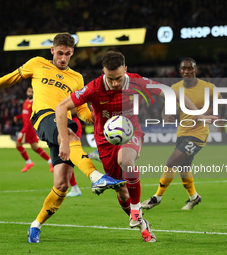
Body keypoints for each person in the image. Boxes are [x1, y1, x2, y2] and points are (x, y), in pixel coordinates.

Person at [0, 34, 127, 243]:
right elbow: (12, 76)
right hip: (44, 118)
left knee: (62, 184)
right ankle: (95, 177)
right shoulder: (37, 64)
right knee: (71, 135)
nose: (63, 58)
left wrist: (92, 117)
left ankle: (35, 225)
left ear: (72, 53)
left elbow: (81, 108)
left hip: (64, 123)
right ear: (52, 50)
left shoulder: (76, 78)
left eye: (67, 54)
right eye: (59, 53)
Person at [56, 51, 217, 242]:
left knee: (126, 160)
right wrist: (65, 141)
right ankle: (142, 224)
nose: (115, 83)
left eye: (118, 78)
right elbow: (61, 107)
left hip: (131, 133)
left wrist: (198, 116)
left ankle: (135, 208)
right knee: (121, 190)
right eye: (110, 78)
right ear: (103, 72)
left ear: (125, 69)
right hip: (104, 142)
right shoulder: (94, 87)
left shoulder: (137, 81)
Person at [142, 57, 219, 210]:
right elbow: (167, 109)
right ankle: (194, 197)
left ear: (195, 70)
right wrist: (166, 115)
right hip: (182, 132)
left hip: (198, 134)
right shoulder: (175, 87)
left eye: (190, 68)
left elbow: (216, 109)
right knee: (183, 168)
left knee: (171, 162)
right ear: (180, 70)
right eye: (184, 68)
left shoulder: (209, 88)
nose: (187, 71)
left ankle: (156, 197)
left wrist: (200, 116)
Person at [14, 86, 53, 172]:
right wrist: (18, 117)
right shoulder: (25, 101)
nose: (30, 93)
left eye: (32, 92)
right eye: (29, 91)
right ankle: (51, 162)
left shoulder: (34, 104)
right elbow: (25, 115)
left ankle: (28, 162)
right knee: (35, 147)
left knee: (18, 145)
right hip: (28, 129)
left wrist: (25, 130)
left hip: (29, 128)